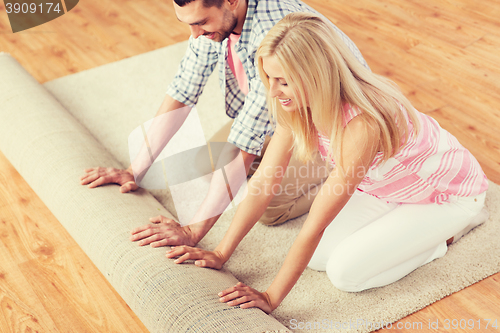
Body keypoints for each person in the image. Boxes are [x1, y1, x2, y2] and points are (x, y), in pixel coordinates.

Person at [165, 12, 489, 313]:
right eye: (269, 78)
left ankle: (445, 236)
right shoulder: (294, 105)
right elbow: (265, 180)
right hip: (384, 187)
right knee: (318, 258)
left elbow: (316, 223)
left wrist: (271, 297)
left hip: (447, 195)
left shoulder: (362, 125)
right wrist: (221, 253)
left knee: (345, 274)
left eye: (283, 81)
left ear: (315, 76)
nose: (274, 92)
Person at [80, 0, 368, 247]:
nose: (194, 34)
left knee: (271, 207)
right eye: (188, 24)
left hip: (328, 127)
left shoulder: (270, 32)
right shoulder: (214, 25)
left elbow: (244, 144)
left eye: (201, 22)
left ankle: (351, 179)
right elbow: (183, 90)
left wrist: (193, 231)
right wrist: (134, 171)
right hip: (281, 116)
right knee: (205, 165)